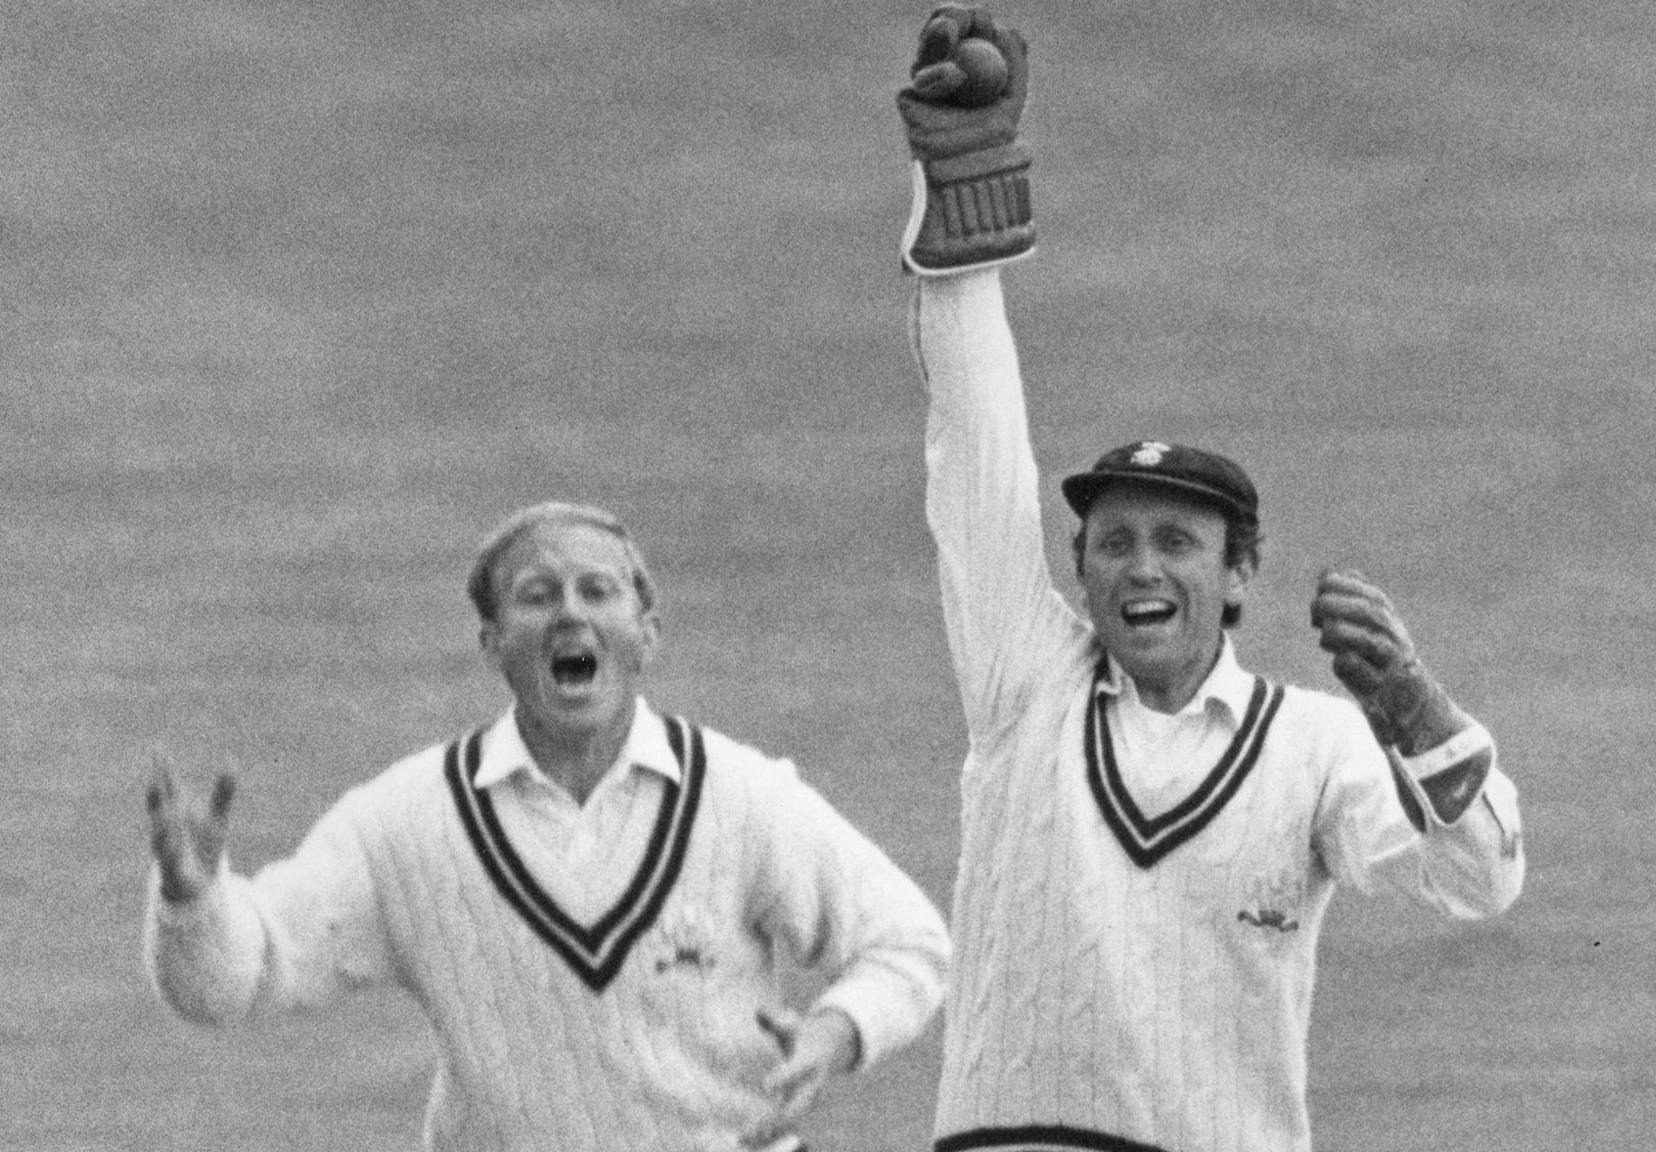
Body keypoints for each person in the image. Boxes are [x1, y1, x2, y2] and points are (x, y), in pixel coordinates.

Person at [893, 9, 1527, 1151]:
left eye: (1175, 543)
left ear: (1237, 578)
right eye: (1112, 540)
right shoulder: (1020, 679)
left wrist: (1415, 711)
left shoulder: (1315, 746)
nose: (1138, 565)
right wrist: (965, 192)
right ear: (1077, 569)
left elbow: (1477, 880)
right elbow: (975, 437)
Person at [143, 501, 951, 1152]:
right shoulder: (410, 821)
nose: (571, 613)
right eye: (538, 595)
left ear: (646, 632)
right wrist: (193, 900)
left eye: (598, 591)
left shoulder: (740, 797)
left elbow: (910, 943)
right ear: (492, 642)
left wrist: (834, 1034)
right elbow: (236, 984)